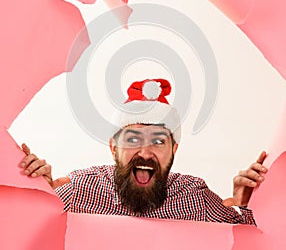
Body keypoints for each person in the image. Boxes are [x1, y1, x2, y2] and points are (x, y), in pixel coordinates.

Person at [20, 79, 267, 224]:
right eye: (133, 139)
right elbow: (24, 229)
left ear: (174, 150)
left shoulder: (195, 198)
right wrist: (37, 195)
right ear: (113, 148)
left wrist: (244, 206)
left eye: (159, 142)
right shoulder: (79, 192)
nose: (146, 152)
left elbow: (250, 238)